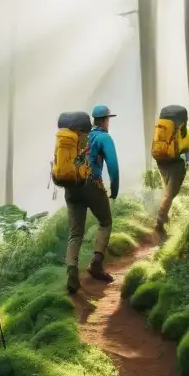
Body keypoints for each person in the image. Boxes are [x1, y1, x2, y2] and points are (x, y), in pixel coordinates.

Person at [65, 104, 120, 294]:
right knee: (105, 222)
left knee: (75, 233)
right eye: (108, 120)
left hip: (71, 187)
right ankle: (96, 263)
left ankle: (71, 274)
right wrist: (115, 187)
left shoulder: (78, 137)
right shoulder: (104, 137)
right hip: (92, 185)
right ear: (105, 120)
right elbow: (112, 165)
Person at [153, 106, 189, 240]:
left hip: (160, 159)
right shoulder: (185, 132)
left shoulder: (161, 131)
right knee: (170, 193)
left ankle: (163, 215)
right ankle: (159, 222)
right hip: (176, 163)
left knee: (168, 190)